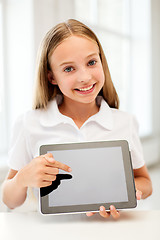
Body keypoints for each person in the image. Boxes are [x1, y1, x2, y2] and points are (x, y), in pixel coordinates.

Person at [2, 19, 152, 219]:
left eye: (91, 62)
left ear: (101, 61)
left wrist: (127, 192)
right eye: (68, 69)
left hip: (109, 230)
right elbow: (9, 200)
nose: (85, 77)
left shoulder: (124, 121)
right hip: (54, 233)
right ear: (51, 77)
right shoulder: (30, 123)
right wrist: (22, 179)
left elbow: (145, 182)